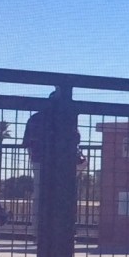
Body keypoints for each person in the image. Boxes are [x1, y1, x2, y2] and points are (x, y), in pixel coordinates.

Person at [22, 91, 85, 219]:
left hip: (39, 160)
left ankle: (37, 232)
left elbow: (27, 144)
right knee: (64, 193)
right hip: (63, 162)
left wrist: (33, 159)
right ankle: (65, 228)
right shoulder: (67, 119)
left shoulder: (35, 118)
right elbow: (75, 140)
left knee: (39, 194)